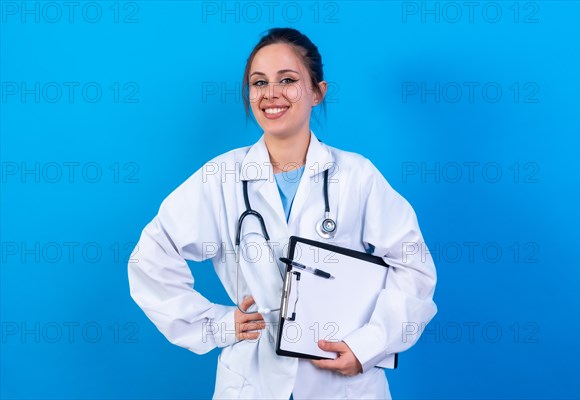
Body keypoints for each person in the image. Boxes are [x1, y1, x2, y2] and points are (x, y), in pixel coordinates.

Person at [128, 27, 438, 399]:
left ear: (317, 92)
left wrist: (368, 345)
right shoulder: (221, 177)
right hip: (251, 378)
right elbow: (150, 258)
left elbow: (413, 265)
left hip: (341, 381)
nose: (271, 94)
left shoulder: (357, 176)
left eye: (287, 80)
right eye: (259, 83)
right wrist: (216, 325)